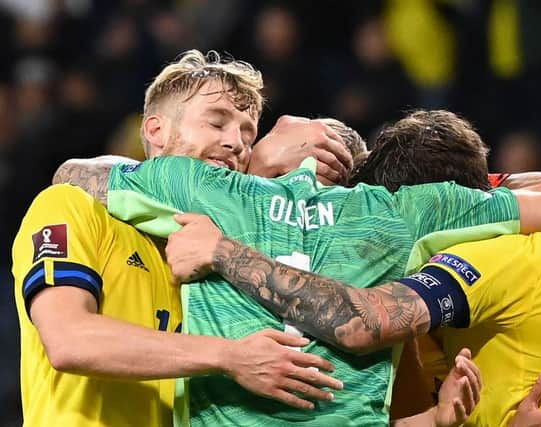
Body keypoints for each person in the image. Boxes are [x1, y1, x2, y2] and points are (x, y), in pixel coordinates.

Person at [89, 94, 541, 427]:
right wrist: (480, 188)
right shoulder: (408, 212)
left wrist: (251, 178)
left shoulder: (203, 188)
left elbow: (77, 172)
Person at [12, 49, 361, 427]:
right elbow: (69, 339)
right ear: (156, 131)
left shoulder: (228, 251)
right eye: (217, 123)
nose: (236, 143)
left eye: (249, 134)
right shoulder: (75, 206)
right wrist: (230, 357)